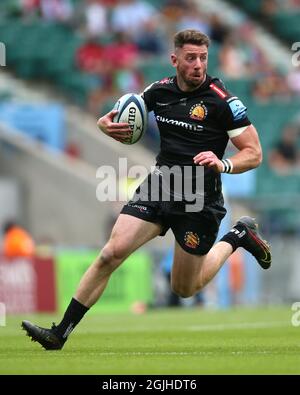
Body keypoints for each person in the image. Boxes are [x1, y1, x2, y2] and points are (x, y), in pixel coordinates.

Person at [22, 29, 271, 350]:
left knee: (184, 287)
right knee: (111, 253)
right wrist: (104, 124)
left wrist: (223, 164)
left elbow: (254, 153)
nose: (198, 65)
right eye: (191, 58)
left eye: (203, 58)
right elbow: (123, 117)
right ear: (175, 59)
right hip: (161, 185)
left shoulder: (223, 102)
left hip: (199, 199)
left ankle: (238, 236)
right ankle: (59, 334)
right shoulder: (158, 91)